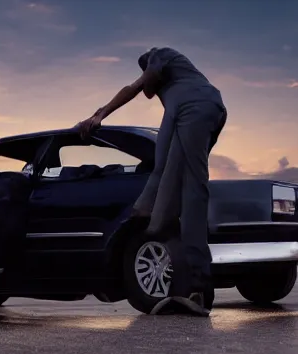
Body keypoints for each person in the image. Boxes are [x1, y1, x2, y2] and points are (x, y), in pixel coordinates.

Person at [76, 47, 227, 316]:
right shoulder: (174, 88)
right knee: (165, 171)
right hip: (193, 110)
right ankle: (148, 218)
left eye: (144, 69)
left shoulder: (162, 54)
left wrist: (100, 113)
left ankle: (200, 285)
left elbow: (134, 88)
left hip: (196, 108)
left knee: (193, 188)